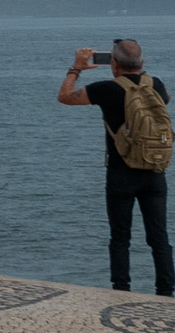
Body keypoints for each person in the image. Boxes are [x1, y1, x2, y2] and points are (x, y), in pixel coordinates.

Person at [59, 40, 175, 297]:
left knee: (120, 237)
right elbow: (163, 102)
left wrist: (76, 68)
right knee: (159, 237)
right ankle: (166, 291)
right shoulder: (156, 84)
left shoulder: (106, 88)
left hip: (121, 172)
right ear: (142, 64)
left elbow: (65, 96)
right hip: (155, 171)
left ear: (113, 65)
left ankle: (121, 290)